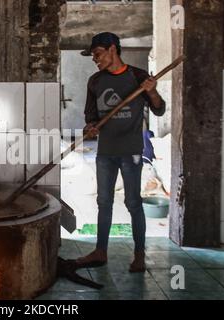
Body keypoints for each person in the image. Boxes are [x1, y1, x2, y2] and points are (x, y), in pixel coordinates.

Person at [76, 32, 166, 272]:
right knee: (103, 201)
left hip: (131, 151)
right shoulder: (95, 81)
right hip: (105, 151)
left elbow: (159, 110)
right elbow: (90, 116)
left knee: (133, 202)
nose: (95, 59)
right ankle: (100, 251)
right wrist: (90, 127)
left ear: (112, 49)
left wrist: (152, 90)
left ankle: (139, 255)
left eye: (98, 54)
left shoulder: (138, 77)